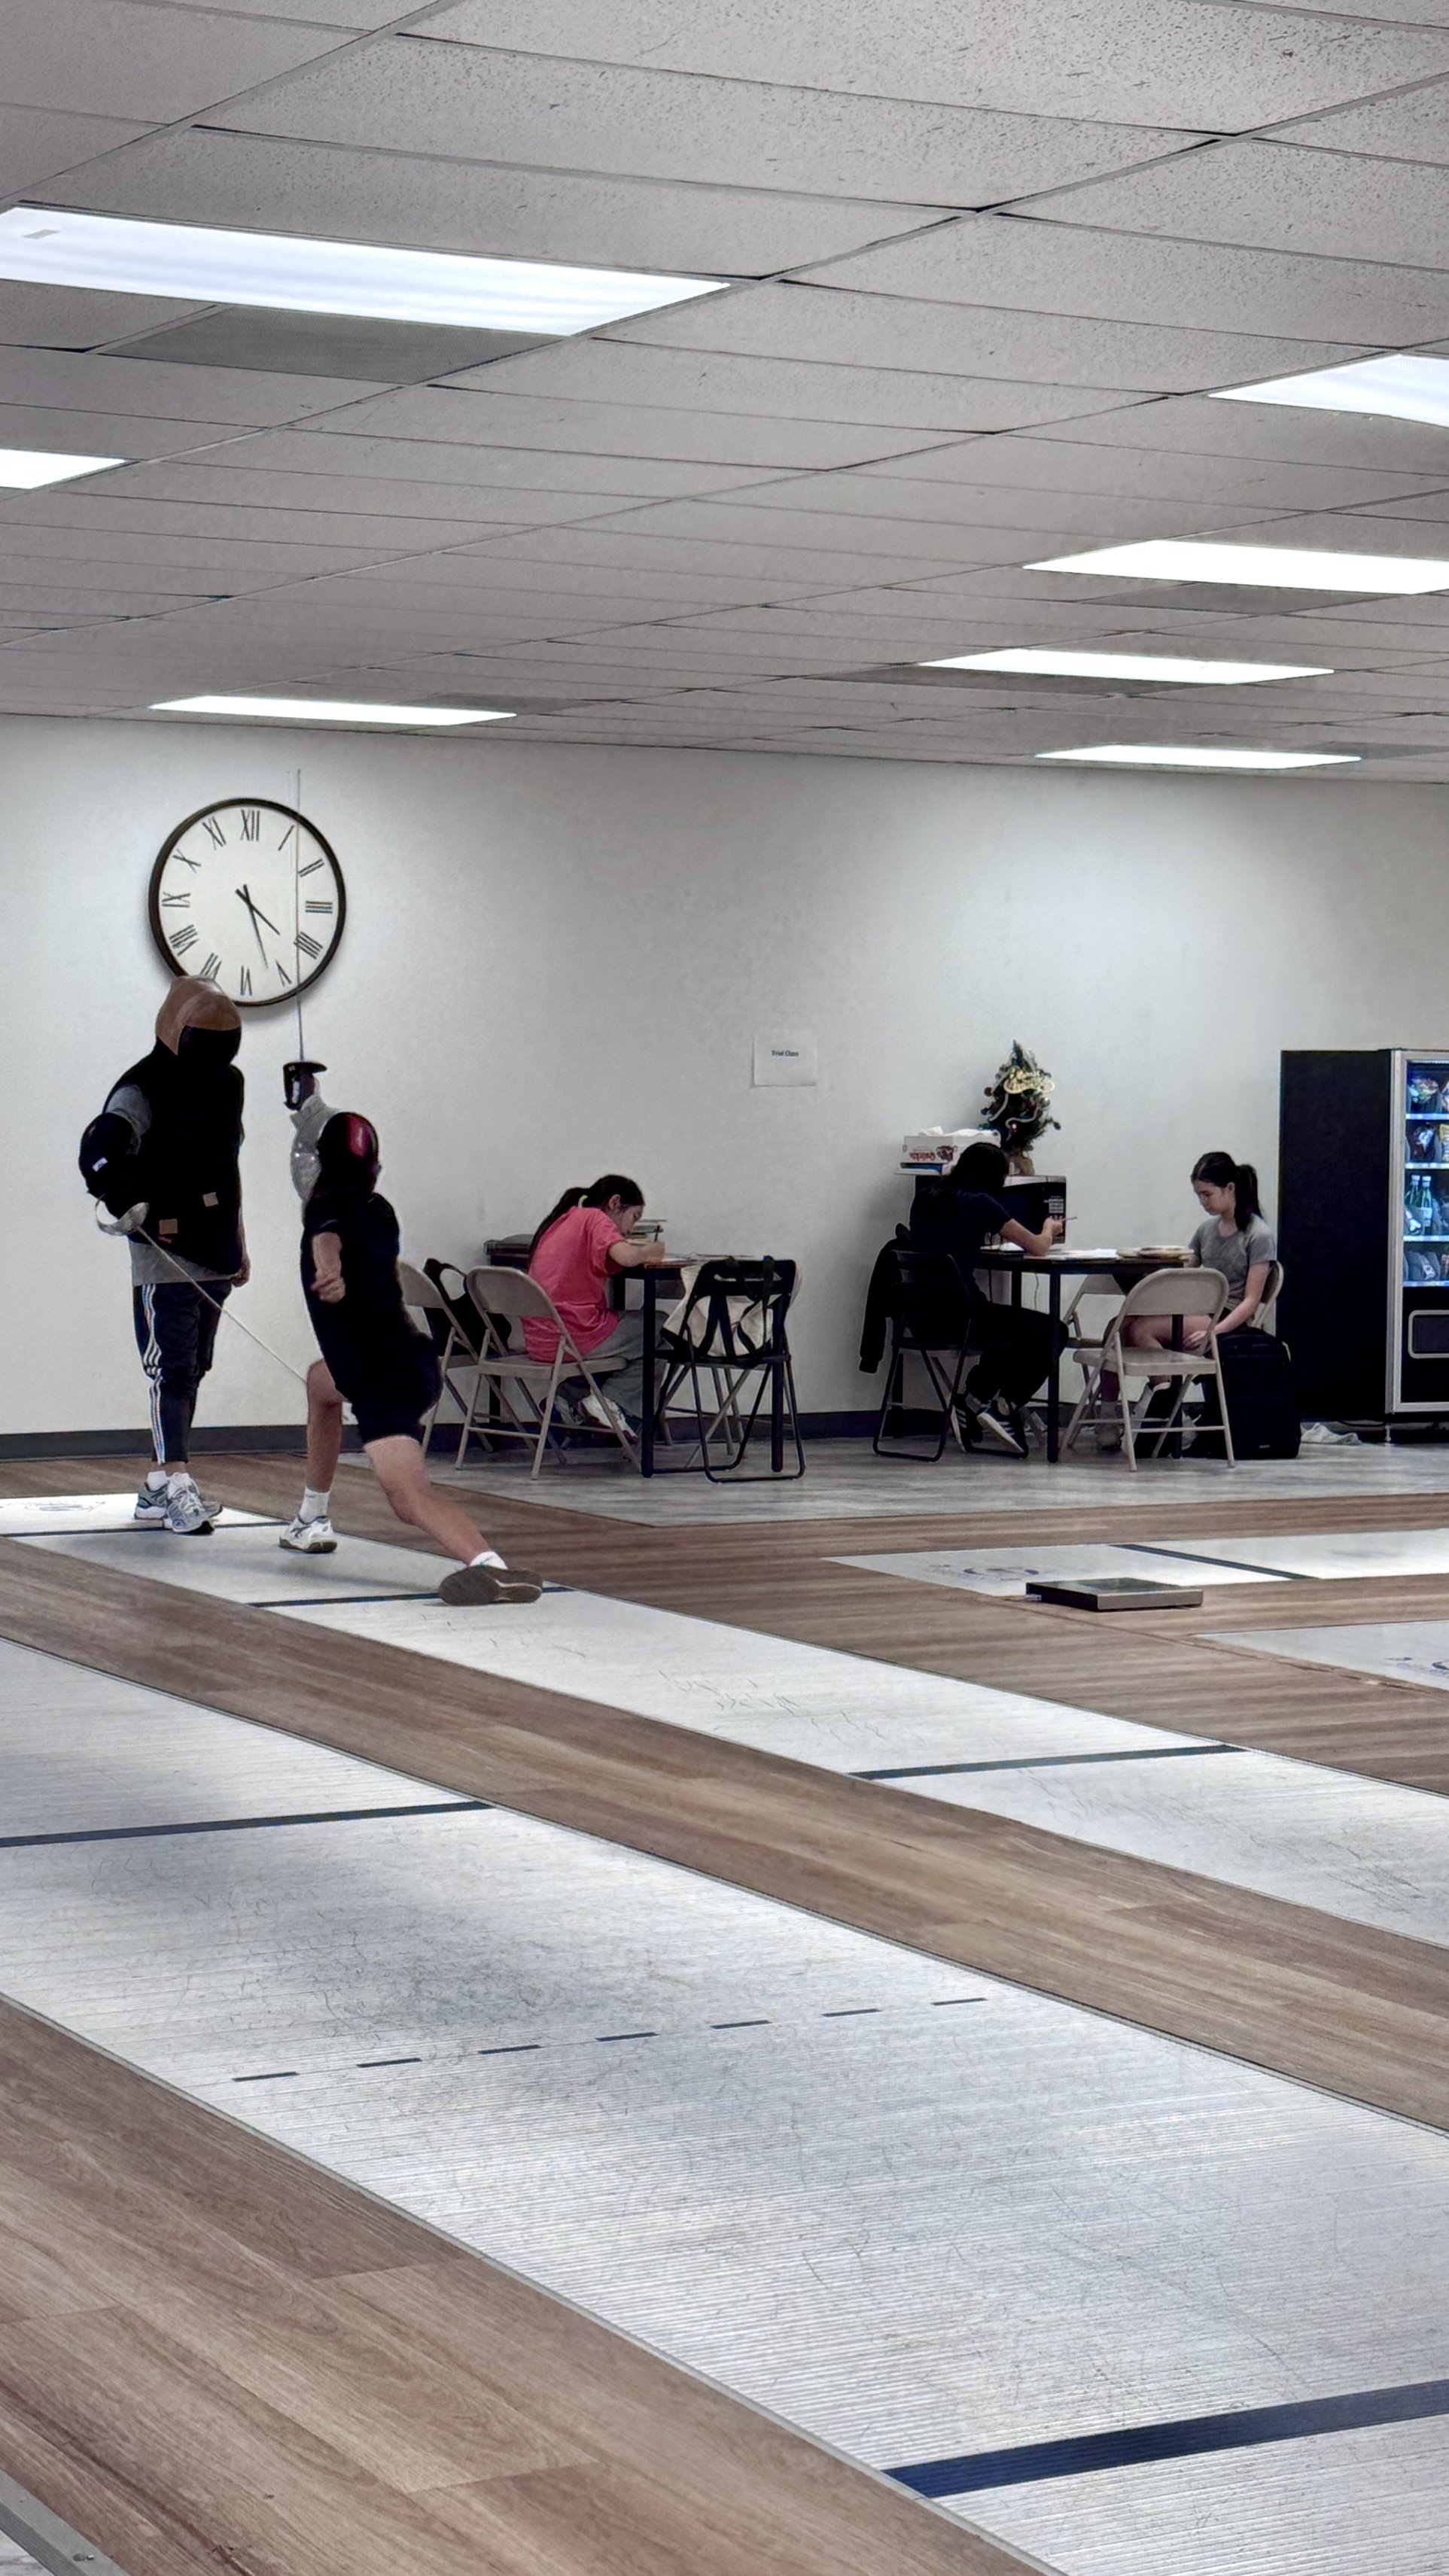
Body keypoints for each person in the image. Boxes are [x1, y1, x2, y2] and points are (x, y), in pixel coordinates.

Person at [282, 1107, 542, 1604]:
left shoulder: (326, 1208)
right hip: (410, 1358)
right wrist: (309, 1105)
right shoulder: (380, 1210)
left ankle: (489, 1564)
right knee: (320, 1382)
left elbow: (327, 1235)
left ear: (320, 1166)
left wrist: (328, 1266)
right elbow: (335, 1216)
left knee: (406, 1495)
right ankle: (311, 1516)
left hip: (382, 1377)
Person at [79, 976, 248, 1534]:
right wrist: (127, 1199)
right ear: (177, 1031)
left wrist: (239, 1242)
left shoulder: (229, 1085)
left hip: (216, 1247)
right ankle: (177, 1479)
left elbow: (228, 1164)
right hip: (166, 1251)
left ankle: (157, 1486)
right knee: (169, 1369)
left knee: (193, 1367)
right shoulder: (142, 1086)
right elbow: (101, 1149)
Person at [909, 1141, 1064, 1456]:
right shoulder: (981, 1203)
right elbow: (1038, 1247)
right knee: (1051, 1330)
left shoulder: (924, 1199)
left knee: (1008, 1329)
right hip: (961, 1317)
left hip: (919, 1316)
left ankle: (975, 1400)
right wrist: (1050, 1228)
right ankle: (1003, 1404)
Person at [525, 1175, 676, 1438]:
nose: (630, 1230)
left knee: (632, 1336)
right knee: (662, 1327)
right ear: (615, 1203)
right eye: (634, 1217)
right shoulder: (596, 1219)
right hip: (573, 1335)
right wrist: (649, 1250)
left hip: (541, 1338)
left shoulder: (562, 1219)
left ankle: (569, 1396)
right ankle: (612, 1404)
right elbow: (627, 1257)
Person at [1124, 1151, 1275, 1363]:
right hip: (1200, 1309)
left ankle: (1165, 1392)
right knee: (1120, 1325)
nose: (1203, 1202)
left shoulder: (1258, 1235)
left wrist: (1215, 1331)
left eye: (1207, 1194)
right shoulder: (1206, 1230)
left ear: (1230, 1188)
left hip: (1226, 1315)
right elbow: (1184, 1273)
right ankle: (1110, 1398)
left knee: (1142, 1330)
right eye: (1198, 1195)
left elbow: (1251, 1301)